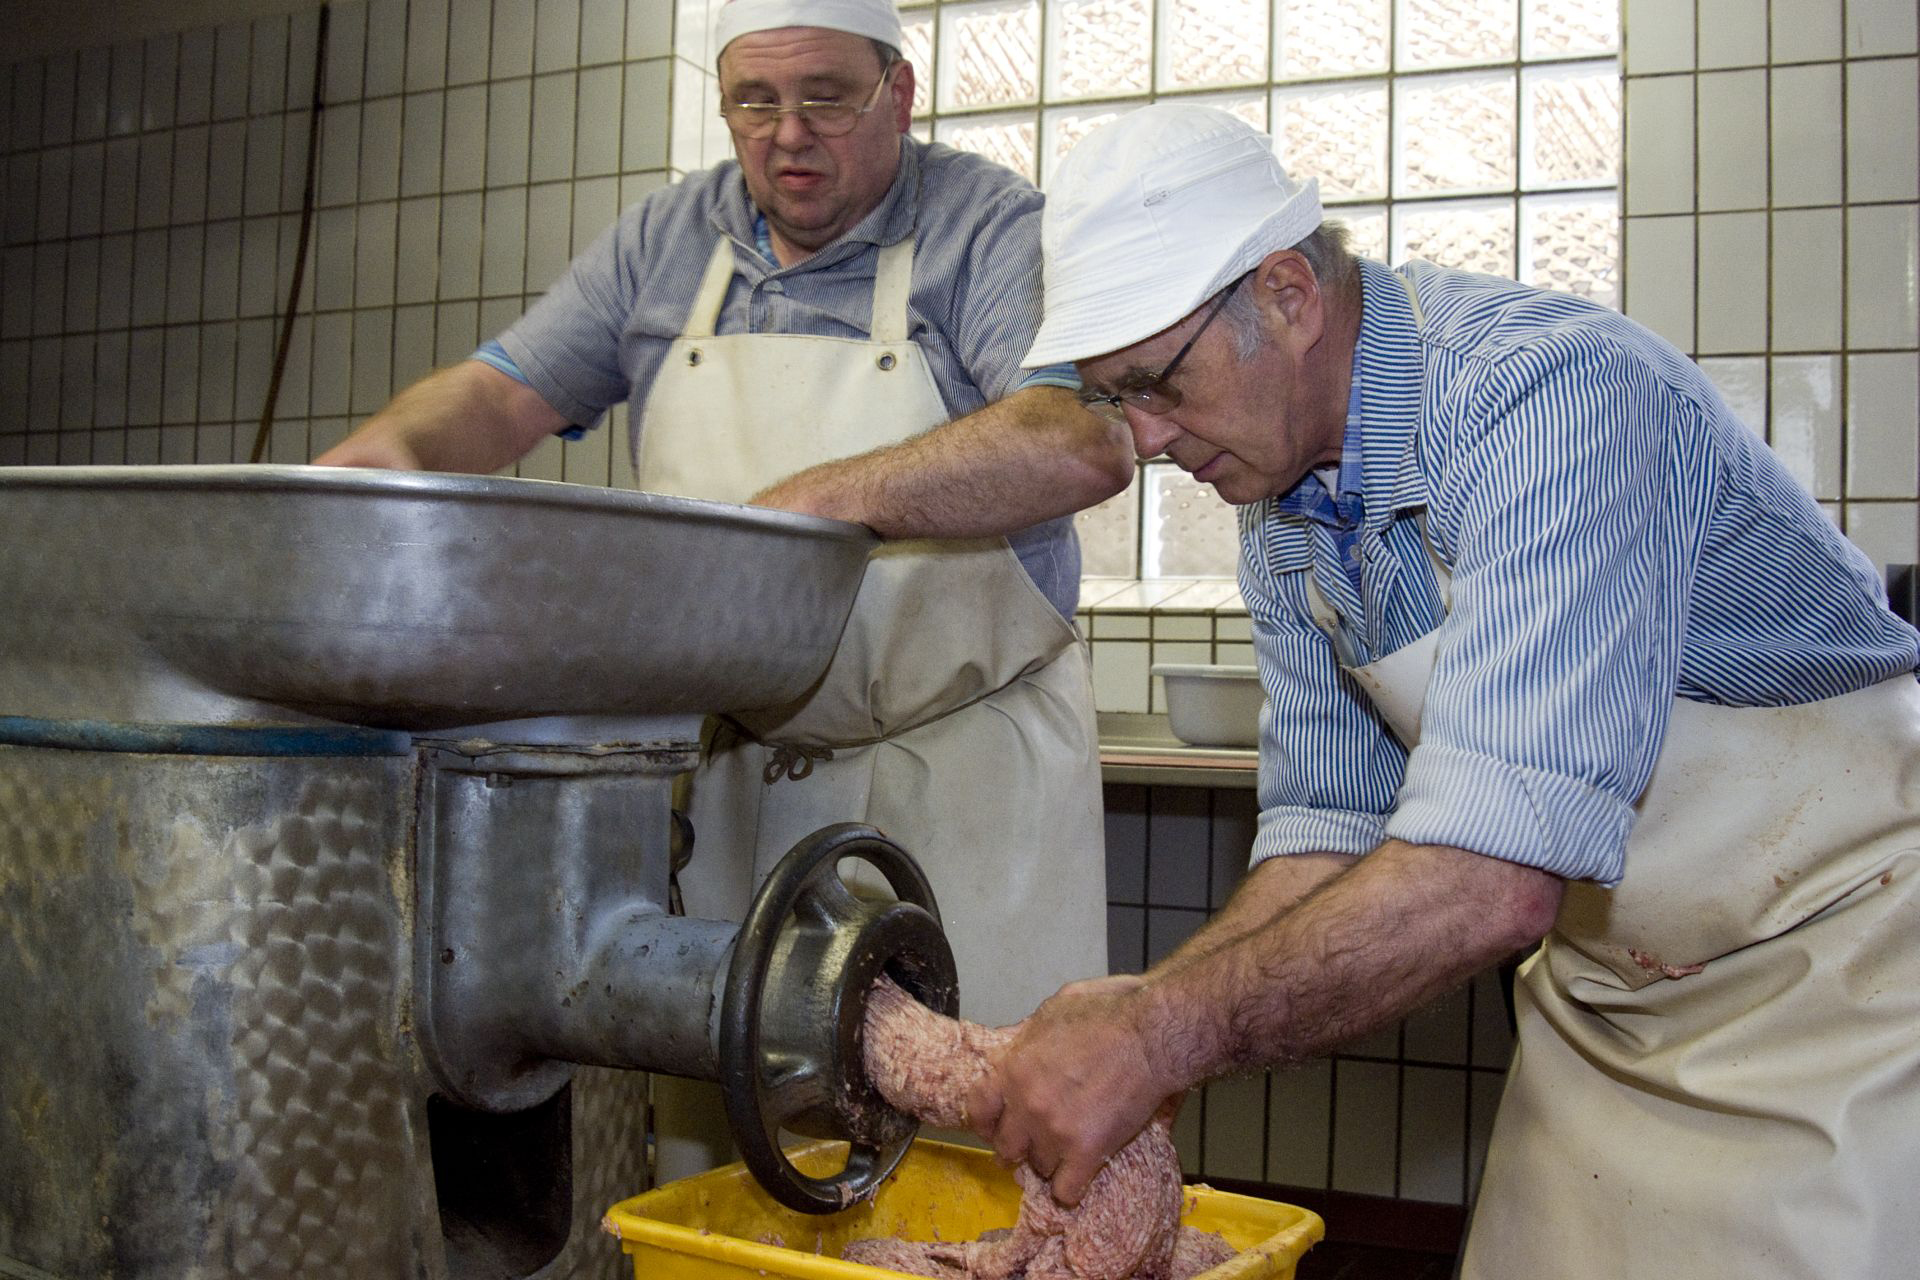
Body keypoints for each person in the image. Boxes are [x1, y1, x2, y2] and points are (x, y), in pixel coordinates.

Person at [964, 103, 1920, 1279]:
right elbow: (1325, 835)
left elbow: (1493, 876)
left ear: (1287, 294)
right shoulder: (1283, 511)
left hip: (1847, 969)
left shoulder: (1551, 399)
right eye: (1116, 400)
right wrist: (1143, 1019)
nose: (1148, 439)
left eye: (1158, 382)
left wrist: (1156, 1035)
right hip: (1613, 1002)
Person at [317, 0, 1132, 1176]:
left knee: (974, 1148)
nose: (788, 134)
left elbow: (1079, 440)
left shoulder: (988, 227)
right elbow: (503, 393)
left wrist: (821, 500)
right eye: (756, 100)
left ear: (899, 94)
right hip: (741, 778)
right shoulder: (670, 239)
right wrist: (385, 461)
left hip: (959, 779)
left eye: (827, 98)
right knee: (741, 1153)